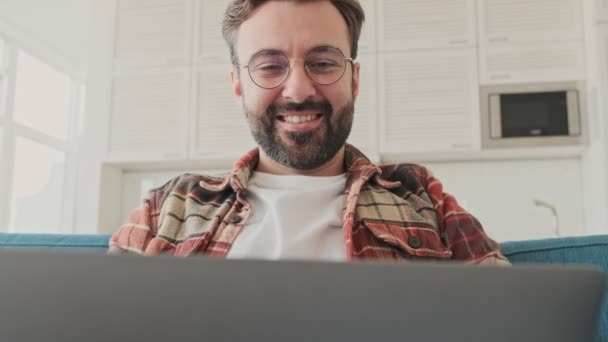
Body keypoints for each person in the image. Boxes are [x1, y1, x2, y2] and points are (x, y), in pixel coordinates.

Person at [109, 0, 509, 265]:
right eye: (269, 66)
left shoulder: (421, 196)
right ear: (237, 85)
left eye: (322, 62)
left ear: (354, 79)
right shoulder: (168, 208)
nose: (298, 90)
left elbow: (510, 314)